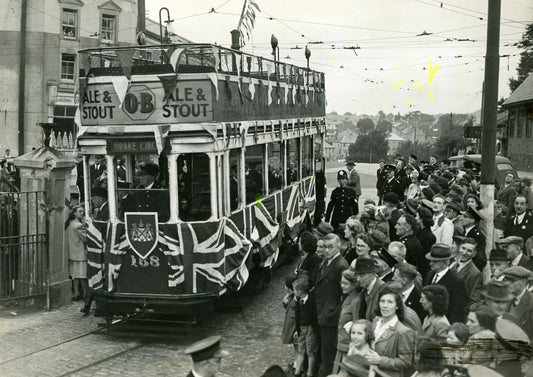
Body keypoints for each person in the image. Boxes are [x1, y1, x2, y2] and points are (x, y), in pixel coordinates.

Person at [313, 233, 349, 377]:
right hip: (322, 311)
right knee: (323, 351)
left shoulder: (340, 265)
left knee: (328, 354)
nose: (327, 250)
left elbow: (344, 294)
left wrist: (334, 312)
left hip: (330, 316)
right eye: (325, 247)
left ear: (338, 246)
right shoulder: (327, 261)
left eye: (331, 247)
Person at [366, 285, 416, 377]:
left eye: (390, 302)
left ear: (397, 306)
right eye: (382, 301)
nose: (385, 306)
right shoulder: (375, 322)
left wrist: (380, 360)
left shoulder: (403, 331)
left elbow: (406, 362)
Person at [423, 244, 468, 323]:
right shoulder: (429, 275)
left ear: (446, 262)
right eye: (430, 260)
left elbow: (457, 312)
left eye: (435, 261)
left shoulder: (457, 283)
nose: (430, 263)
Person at [332, 269, 361, 374]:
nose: (342, 285)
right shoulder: (348, 297)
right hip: (342, 344)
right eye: (341, 282)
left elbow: (357, 324)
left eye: (345, 283)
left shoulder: (356, 301)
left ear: (354, 285)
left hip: (348, 347)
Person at [65, 205, 90, 315]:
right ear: (74, 213)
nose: (82, 213)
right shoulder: (78, 225)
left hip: (73, 253)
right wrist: (86, 225)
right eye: (80, 211)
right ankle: (86, 294)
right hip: (81, 253)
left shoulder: (69, 223)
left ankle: (76, 293)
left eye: (83, 211)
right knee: (83, 275)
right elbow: (86, 238)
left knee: (75, 275)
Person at [293, 279, 318, 377]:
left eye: (295, 290)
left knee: (310, 352)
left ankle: (310, 372)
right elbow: (297, 316)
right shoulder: (299, 300)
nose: (294, 292)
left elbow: (314, 316)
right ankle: (297, 371)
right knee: (300, 349)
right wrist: (296, 329)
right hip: (302, 328)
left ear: (300, 291)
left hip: (310, 328)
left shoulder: (311, 300)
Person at [450, 237, 482, 307]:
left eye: (469, 251)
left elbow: (473, 300)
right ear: (459, 248)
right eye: (463, 248)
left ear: (474, 254)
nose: (464, 253)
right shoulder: (453, 265)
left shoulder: (475, 273)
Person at [503, 266, 533, 340]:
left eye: (512, 280)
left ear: (523, 282)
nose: (507, 283)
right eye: (506, 279)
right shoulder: (507, 299)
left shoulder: (531, 302)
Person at [353, 257, 385, 322]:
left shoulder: (384, 291)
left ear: (373, 274)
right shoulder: (363, 291)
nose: (358, 279)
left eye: (362, 275)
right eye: (357, 275)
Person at [395, 214, 427, 278]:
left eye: (399, 224)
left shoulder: (406, 245)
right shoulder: (413, 241)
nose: (395, 226)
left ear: (408, 228)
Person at [461, 206, 487, 272]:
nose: (461, 218)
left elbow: (480, 258)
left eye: (465, 217)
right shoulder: (465, 231)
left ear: (472, 220)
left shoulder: (478, 235)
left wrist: (472, 270)